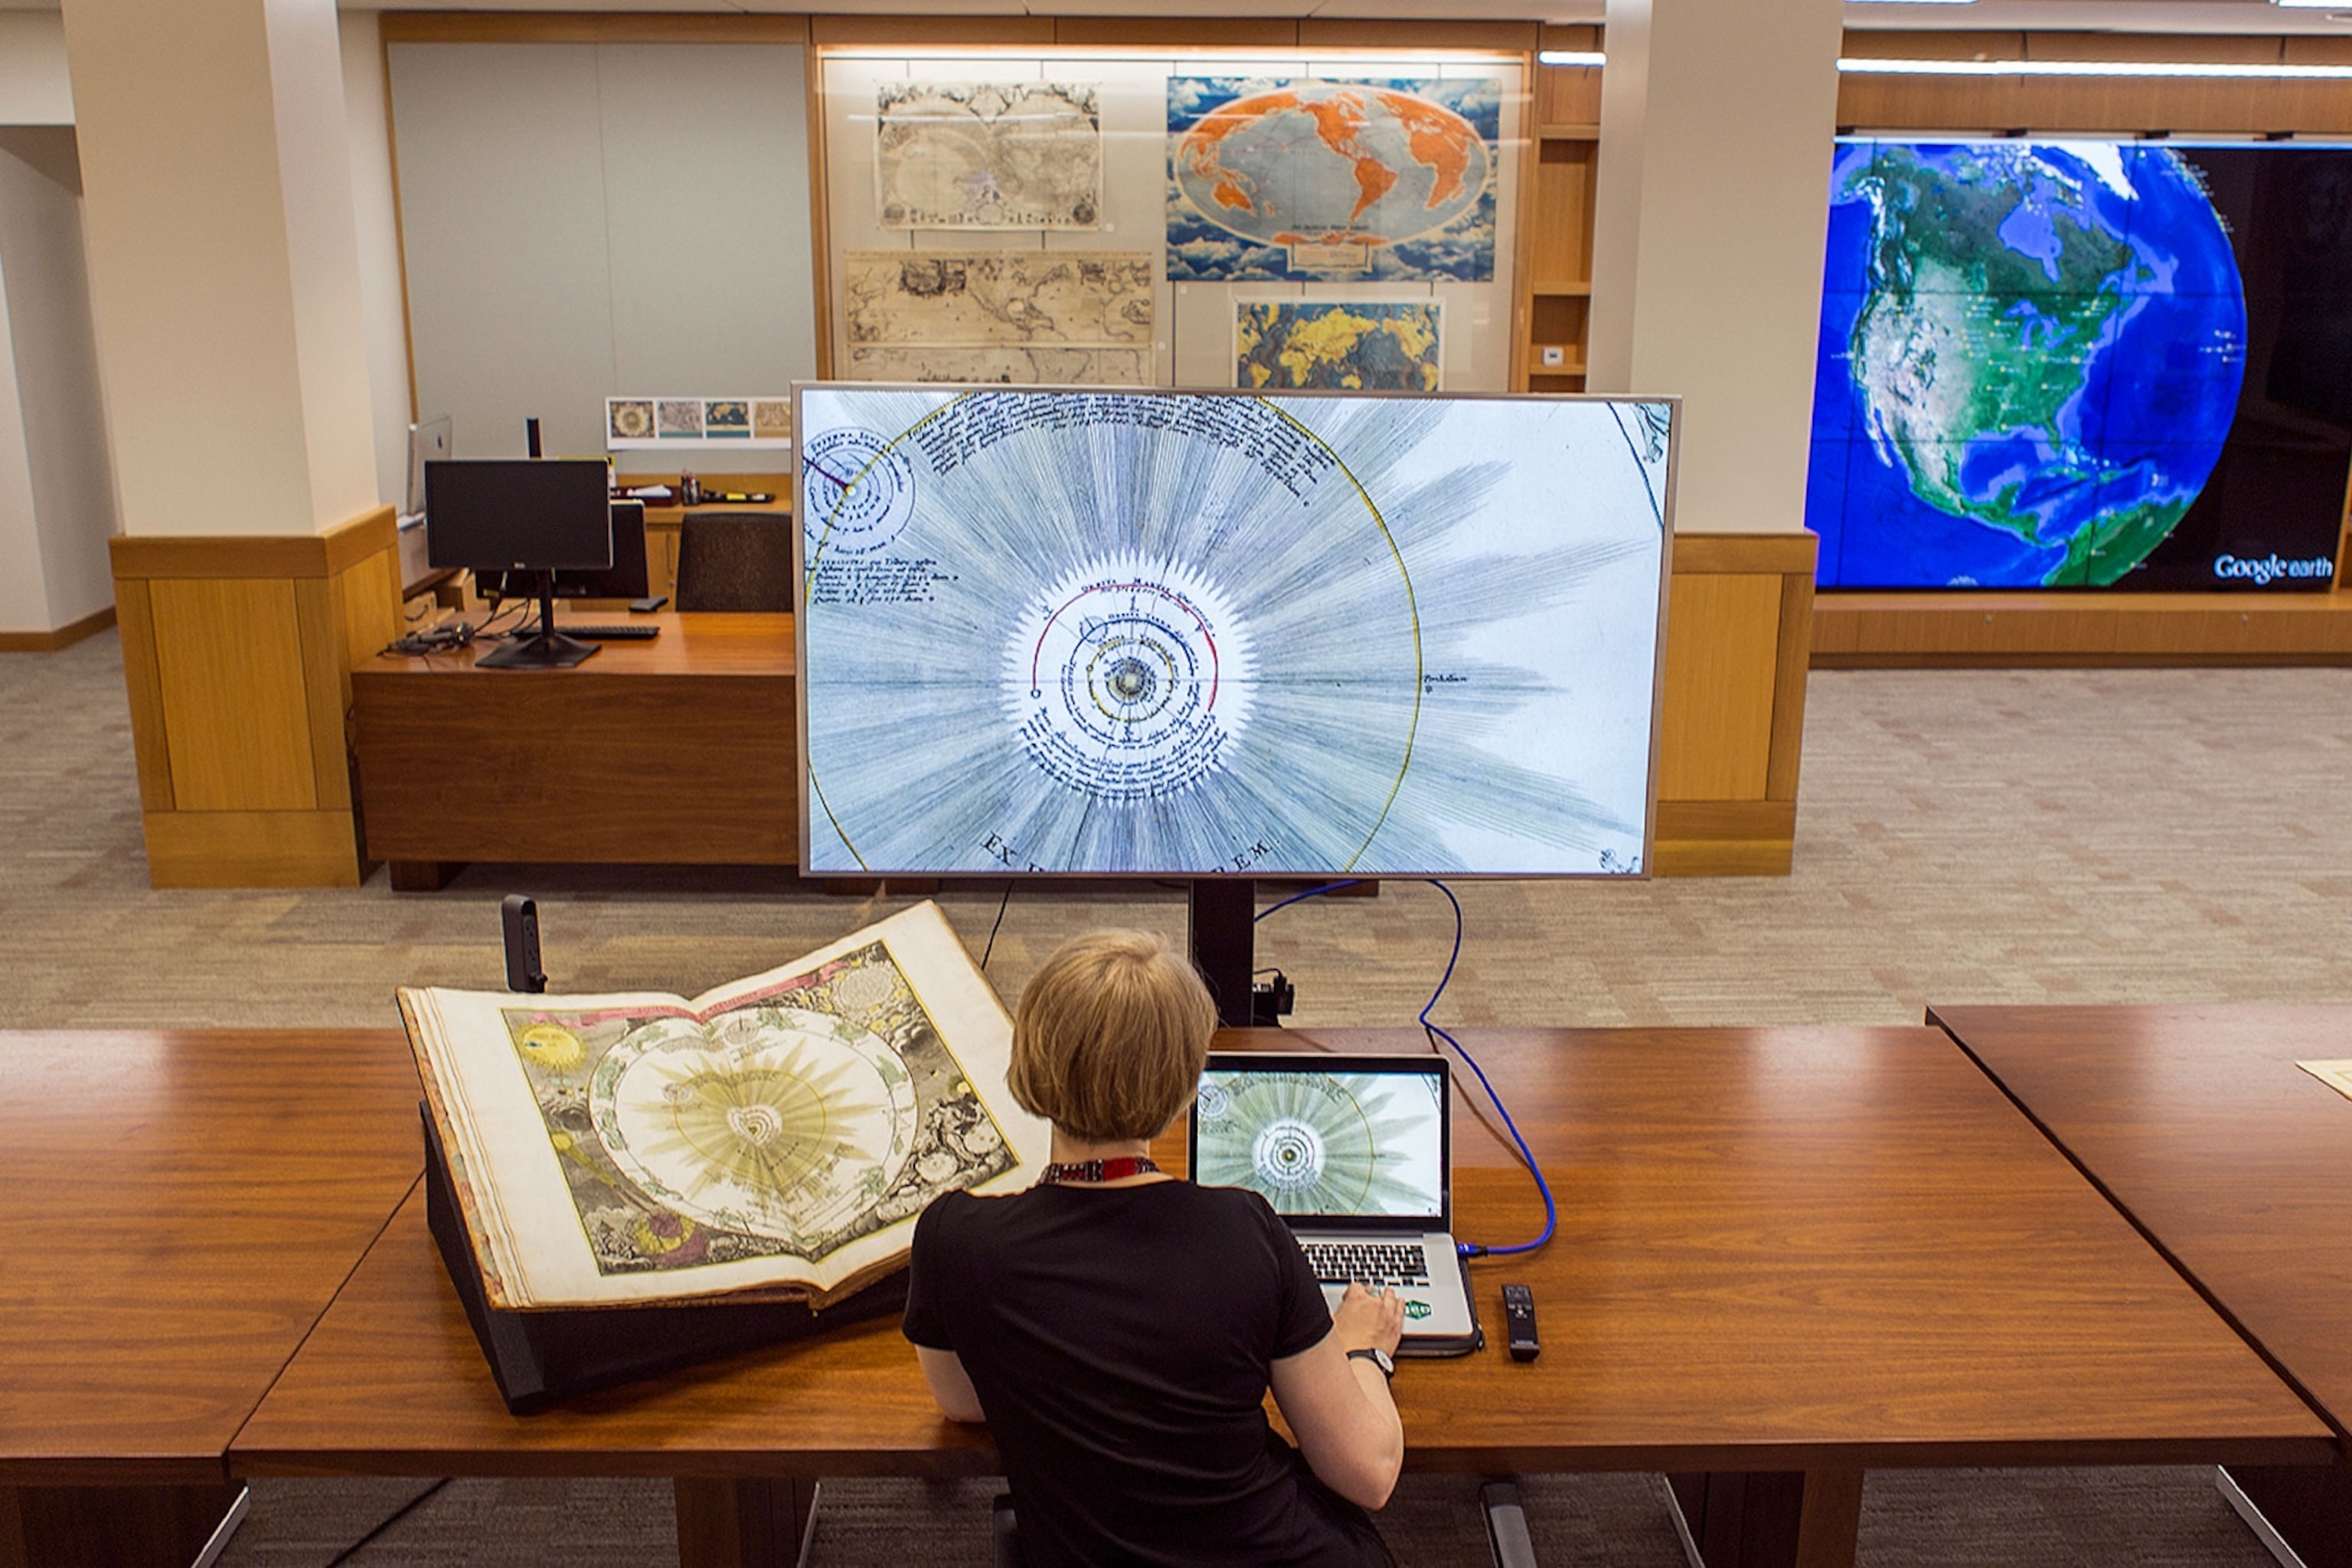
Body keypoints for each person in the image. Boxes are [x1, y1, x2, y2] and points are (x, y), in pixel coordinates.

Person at [903, 929, 1406, 1566]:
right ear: (1186, 1082)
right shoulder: (1246, 1232)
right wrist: (1362, 1351)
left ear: (1028, 1059)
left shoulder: (955, 1241)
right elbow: (1369, 1475)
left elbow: (962, 1402)